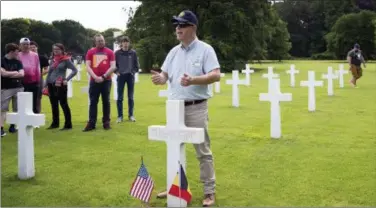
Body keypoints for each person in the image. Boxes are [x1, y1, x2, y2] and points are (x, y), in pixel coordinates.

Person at [150, 10, 221, 207]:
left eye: (182, 25)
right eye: (176, 25)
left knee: (202, 150)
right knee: (174, 149)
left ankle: (209, 191)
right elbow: (165, 75)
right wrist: (160, 79)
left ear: (193, 28)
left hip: (196, 107)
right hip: (175, 109)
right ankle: (176, 187)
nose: (178, 29)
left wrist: (194, 80)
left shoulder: (206, 50)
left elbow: (216, 75)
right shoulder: (173, 52)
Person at [83, 34, 116, 132]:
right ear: (95, 42)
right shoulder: (90, 52)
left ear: (104, 41)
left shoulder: (110, 52)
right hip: (94, 81)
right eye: (99, 41)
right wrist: (95, 77)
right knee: (93, 102)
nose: (101, 42)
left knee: (106, 101)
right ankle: (91, 123)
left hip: (106, 80)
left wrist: (103, 77)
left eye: (102, 40)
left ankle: (106, 122)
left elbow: (113, 66)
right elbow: (88, 66)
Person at [45, 43, 77, 130]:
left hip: (60, 84)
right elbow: (50, 72)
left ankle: (68, 124)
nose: (55, 51)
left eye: (57, 49)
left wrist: (67, 79)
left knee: (63, 104)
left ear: (62, 50)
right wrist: (45, 84)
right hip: (51, 84)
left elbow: (74, 70)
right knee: (53, 104)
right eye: (54, 49)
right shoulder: (52, 59)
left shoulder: (66, 60)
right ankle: (55, 123)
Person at [1, 43, 25, 137]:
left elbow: (22, 74)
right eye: (16, 52)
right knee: (3, 109)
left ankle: (12, 126)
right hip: (5, 88)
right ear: (11, 52)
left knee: (17, 108)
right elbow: (3, 74)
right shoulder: (2, 61)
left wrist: (9, 73)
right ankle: (1, 128)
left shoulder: (18, 62)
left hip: (18, 87)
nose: (18, 54)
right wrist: (15, 72)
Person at [114, 36, 139, 123]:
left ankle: (131, 115)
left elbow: (136, 66)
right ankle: (120, 116)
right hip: (121, 76)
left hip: (130, 77)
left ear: (129, 43)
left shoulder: (133, 53)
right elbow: (114, 65)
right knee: (120, 97)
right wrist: (116, 72)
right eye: (124, 42)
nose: (125, 43)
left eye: (127, 42)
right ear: (121, 43)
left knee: (130, 97)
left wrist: (133, 72)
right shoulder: (117, 53)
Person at [17, 37, 41, 114]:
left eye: (27, 44)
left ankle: (34, 120)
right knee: (21, 102)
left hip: (33, 82)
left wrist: (38, 80)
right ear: (20, 45)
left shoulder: (35, 55)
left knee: (33, 101)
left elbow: (37, 68)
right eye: (24, 44)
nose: (26, 46)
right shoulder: (18, 55)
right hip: (21, 82)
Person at [30, 41, 50, 113]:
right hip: (27, 80)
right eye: (31, 47)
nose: (33, 49)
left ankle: (37, 113)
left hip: (39, 79)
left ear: (37, 48)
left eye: (34, 47)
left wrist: (39, 74)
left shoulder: (42, 58)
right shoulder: (26, 57)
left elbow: (47, 69)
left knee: (38, 97)